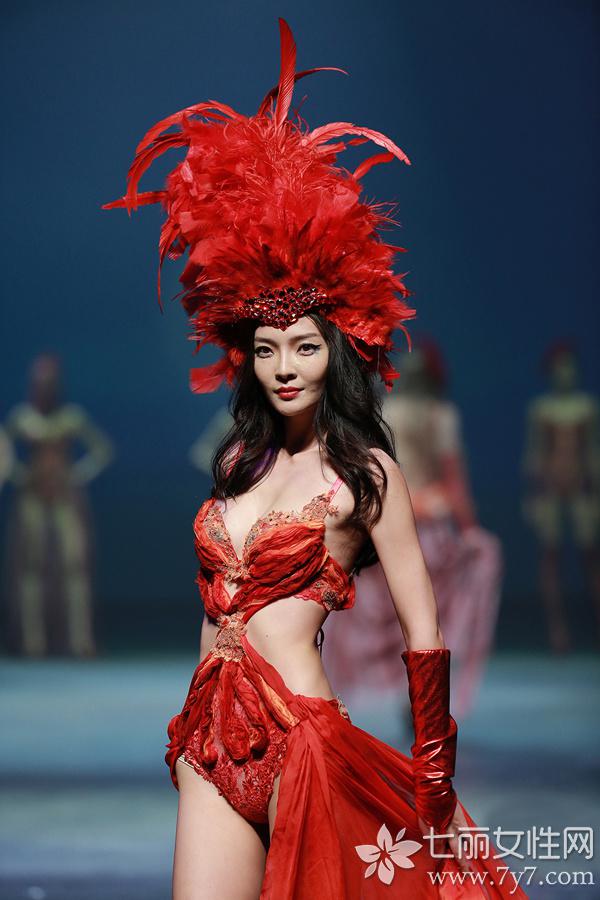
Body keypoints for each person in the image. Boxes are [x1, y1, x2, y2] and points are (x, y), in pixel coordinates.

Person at [104, 19, 528, 898]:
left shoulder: (365, 474)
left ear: (334, 352)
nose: (284, 367)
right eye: (266, 350)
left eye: (303, 347)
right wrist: (187, 730)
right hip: (211, 742)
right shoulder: (239, 464)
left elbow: (424, 631)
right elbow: (215, 610)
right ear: (248, 360)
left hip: (304, 744)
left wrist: (434, 770)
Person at [323, 336, 504, 722]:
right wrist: (469, 529)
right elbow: (454, 481)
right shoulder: (441, 416)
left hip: (389, 525)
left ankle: (377, 695)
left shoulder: (387, 412)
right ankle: (420, 699)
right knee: (428, 615)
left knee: (388, 616)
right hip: (431, 528)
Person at [3, 353, 114, 657]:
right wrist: (18, 474)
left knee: (74, 565)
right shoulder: (23, 418)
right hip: (33, 496)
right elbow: (4, 447)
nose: (46, 388)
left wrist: (77, 475)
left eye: (50, 383)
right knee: (31, 566)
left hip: (65, 496)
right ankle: (32, 640)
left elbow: (101, 449)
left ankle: (80, 639)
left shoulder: (71, 418)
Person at [521, 339, 600, 653]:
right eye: (559, 366)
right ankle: (557, 630)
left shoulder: (586, 407)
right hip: (551, 489)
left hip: (580, 488)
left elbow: (592, 451)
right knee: (551, 556)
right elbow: (536, 452)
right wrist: (533, 495)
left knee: (589, 554)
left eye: (568, 366)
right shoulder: (542, 409)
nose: (565, 372)